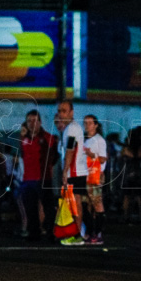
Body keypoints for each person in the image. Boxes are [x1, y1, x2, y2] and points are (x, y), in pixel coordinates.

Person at [18, 109, 57, 241]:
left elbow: (54, 156)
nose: (32, 123)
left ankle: (51, 232)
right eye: (29, 121)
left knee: (48, 207)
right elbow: (21, 155)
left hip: (43, 178)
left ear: (40, 122)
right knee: (30, 207)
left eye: (35, 121)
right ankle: (34, 232)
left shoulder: (48, 137)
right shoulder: (24, 138)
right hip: (27, 179)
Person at [57, 100, 88, 245]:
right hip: (76, 171)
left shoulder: (72, 129)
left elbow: (70, 149)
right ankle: (77, 233)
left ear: (71, 112)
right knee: (74, 204)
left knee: (75, 204)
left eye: (64, 111)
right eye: (60, 111)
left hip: (75, 172)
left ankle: (76, 235)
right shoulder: (71, 128)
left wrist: (65, 171)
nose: (61, 114)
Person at [83, 114, 108, 245]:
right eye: (85, 123)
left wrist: (91, 154)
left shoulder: (99, 140)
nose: (87, 126)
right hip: (87, 175)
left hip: (96, 175)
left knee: (97, 204)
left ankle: (98, 233)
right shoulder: (86, 140)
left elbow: (103, 158)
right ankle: (91, 231)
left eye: (89, 123)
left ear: (96, 125)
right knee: (86, 204)